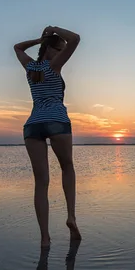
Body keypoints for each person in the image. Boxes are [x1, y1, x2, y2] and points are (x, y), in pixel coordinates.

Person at [14, 25, 82, 247]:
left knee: (41, 182)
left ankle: (45, 238)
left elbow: (17, 47)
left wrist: (40, 40)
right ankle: (71, 216)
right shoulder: (55, 65)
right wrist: (53, 30)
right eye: (59, 47)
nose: (63, 51)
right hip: (56, 121)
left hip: (32, 126)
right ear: (52, 50)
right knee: (67, 167)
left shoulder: (30, 67)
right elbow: (76, 39)